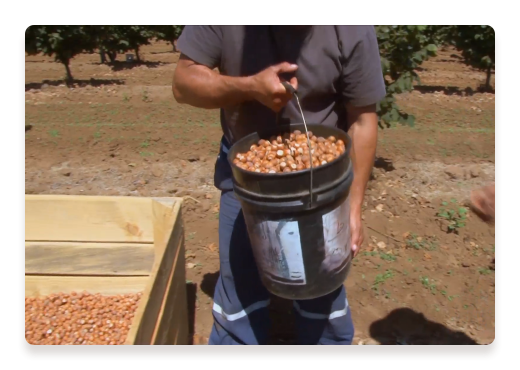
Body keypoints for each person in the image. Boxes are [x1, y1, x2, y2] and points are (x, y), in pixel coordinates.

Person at [172, 25, 386, 345]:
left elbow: (362, 119)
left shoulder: (351, 29)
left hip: (321, 181)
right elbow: (183, 84)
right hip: (247, 172)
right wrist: (248, 87)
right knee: (241, 284)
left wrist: (352, 208)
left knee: (321, 285)